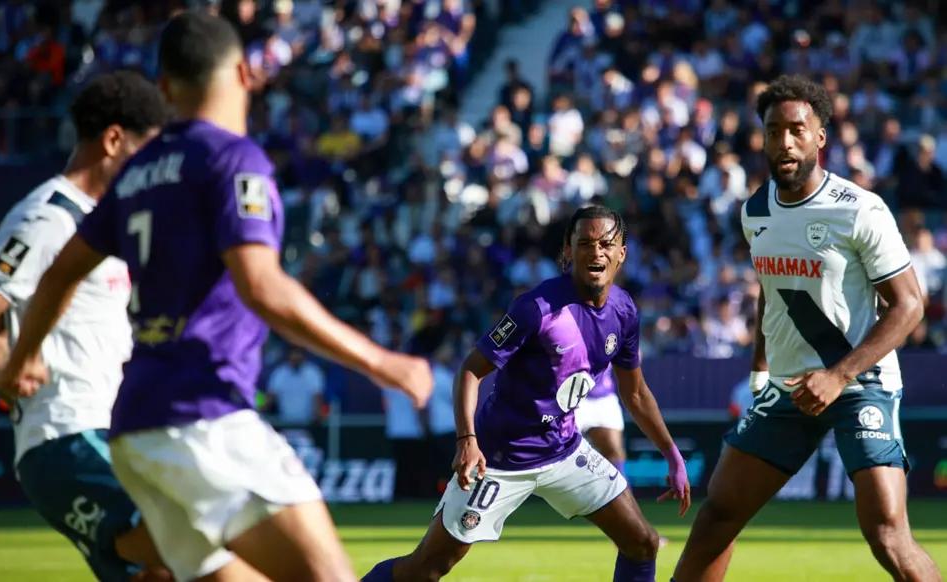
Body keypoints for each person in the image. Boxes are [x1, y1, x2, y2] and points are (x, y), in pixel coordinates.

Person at [0, 12, 432, 582]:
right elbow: (261, 285)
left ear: (167, 88)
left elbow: (58, 273)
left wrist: (24, 355)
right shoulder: (233, 158)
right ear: (247, 73)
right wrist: (381, 361)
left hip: (133, 427)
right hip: (205, 418)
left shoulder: (135, 174)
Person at [673, 75, 941, 582]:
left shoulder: (859, 209)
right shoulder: (755, 211)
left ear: (821, 136)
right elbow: (772, 295)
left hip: (861, 385)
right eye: (774, 131)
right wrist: (759, 368)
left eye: (798, 129)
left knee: (886, 531)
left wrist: (838, 376)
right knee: (718, 515)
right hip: (788, 390)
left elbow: (909, 306)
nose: (785, 142)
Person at [364, 206, 691, 582]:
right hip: (499, 460)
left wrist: (671, 454)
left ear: (622, 253)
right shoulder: (535, 309)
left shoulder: (624, 310)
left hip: (565, 451)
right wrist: (467, 441)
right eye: (584, 243)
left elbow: (635, 394)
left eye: (606, 244)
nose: (595, 252)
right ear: (567, 252)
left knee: (642, 543)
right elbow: (470, 370)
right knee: (424, 569)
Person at [0, 71, 172, 580]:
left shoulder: (96, 222)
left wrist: (0, 358)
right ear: (112, 140)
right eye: (145, 149)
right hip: (67, 436)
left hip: (111, 437)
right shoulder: (51, 217)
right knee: (186, 542)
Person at [574, 364, 626, 474]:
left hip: (604, 397)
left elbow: (635, 355)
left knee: (614, 453)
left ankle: (620, 490)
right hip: (569, 397)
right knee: (561, 455)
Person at [264, 347, 326, 425]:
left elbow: (317, 399)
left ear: (303, 355)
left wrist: (318, 416)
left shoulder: (313, 373)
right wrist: (258, 408)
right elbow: (269, 399)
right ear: (288, 355)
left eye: (298, 354)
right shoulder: (279, 373)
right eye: (293, 354)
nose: (296, 357)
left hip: (307, 427)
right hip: (284, 426)